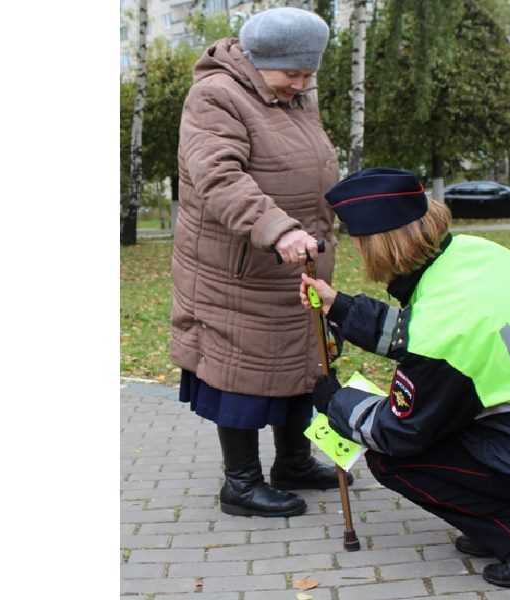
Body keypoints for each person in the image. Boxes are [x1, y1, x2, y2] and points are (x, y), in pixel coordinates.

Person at [300, 168, 510, 588]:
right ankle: (500, 520)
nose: (360, 254)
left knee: (393, 460)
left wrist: (335, 402)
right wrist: (339, 307)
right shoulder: (471, 254)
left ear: (381, 247)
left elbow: (398, 431)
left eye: (360, 244)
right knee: (442, 430)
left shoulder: (442, 326)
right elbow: (419, 331)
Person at [170, 6, 352, 520]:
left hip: (296, 264)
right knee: (243, 374)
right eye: (291, 72)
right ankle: (241, 485)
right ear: (257, 60)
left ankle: (293, 462)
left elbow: (308, 163)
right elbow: (220, 178)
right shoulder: (216, 97)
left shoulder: (294, 97)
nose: (301, 83)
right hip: (241, 268)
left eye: (308, 73)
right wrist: (280, 228)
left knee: (301, 363)